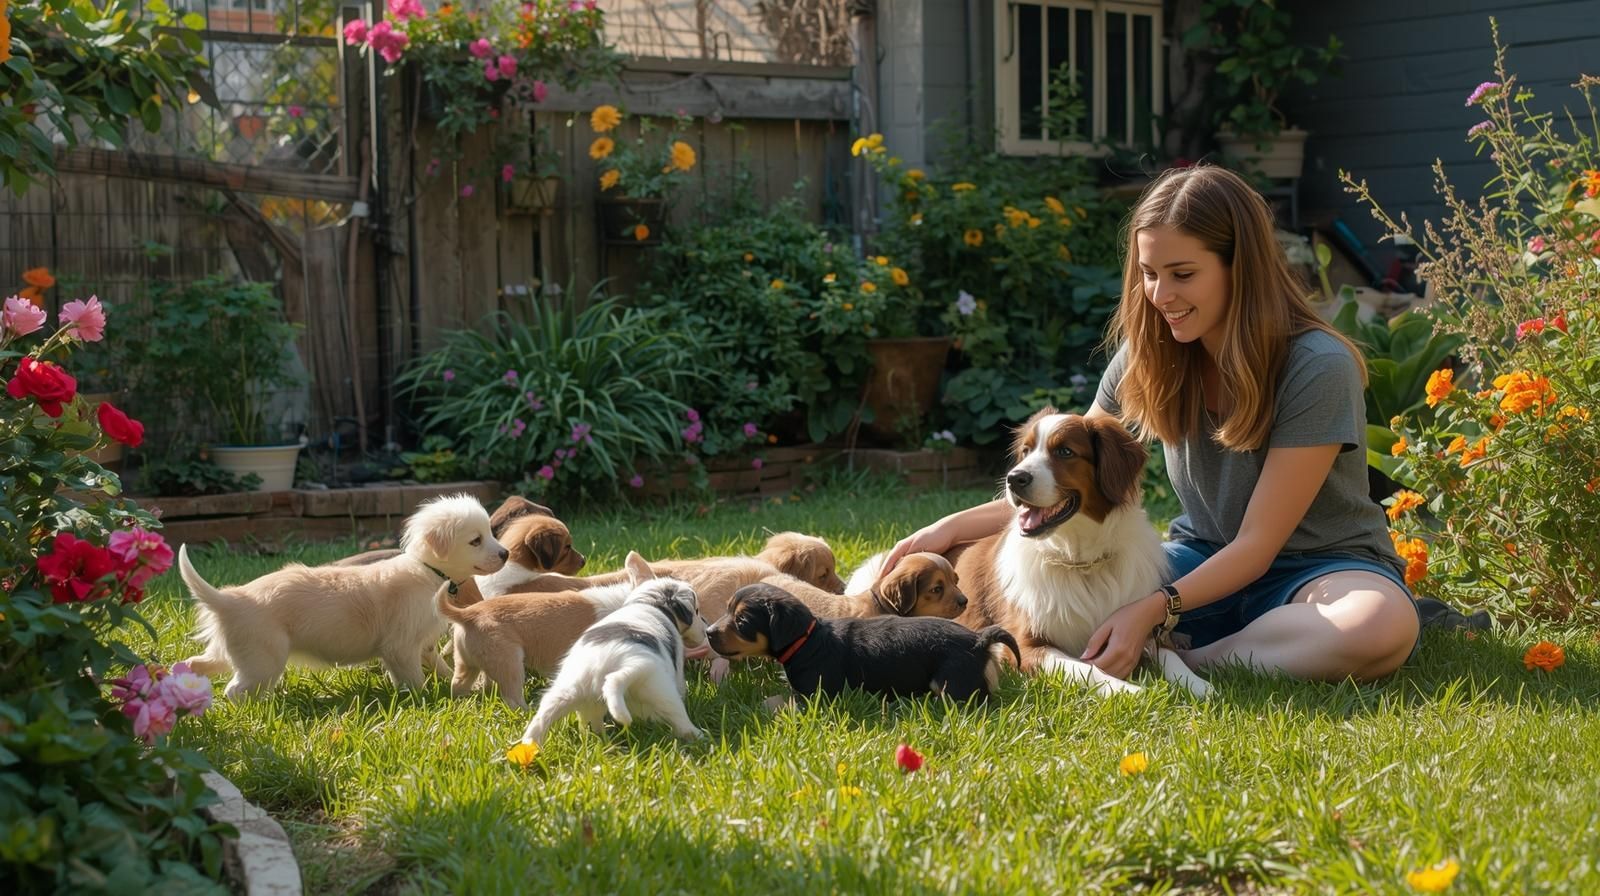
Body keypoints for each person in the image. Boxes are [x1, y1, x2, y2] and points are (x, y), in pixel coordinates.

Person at [882, 165, 1419, 683]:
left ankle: (1193, 658)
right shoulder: (1150, 354)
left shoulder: (1317, 365)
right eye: (1149, 273)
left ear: (1241, 267)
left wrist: (1154, 609)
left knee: (1378, 626)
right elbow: (1066, 479)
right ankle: (1228, 647)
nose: (1161, 296)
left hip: (1320, 569)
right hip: (1199, 559)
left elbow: (1258, 545)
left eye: (1183, 274)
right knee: (1092, 583)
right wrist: (948, 528)